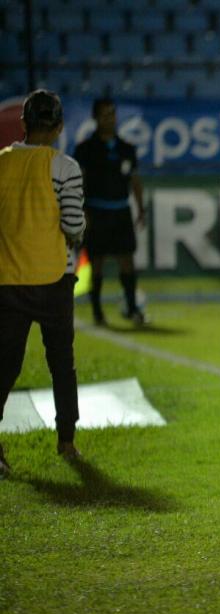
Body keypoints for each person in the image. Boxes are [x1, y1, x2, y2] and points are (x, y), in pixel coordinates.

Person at [0, 89, 85, 474]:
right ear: (59, 126)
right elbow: (72, 224)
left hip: (7, 277)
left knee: (4, 366)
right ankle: (66, 441)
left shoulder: (1, 162)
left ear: (24, 123)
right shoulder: (65, 167)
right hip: (54, 277)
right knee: (61, 364)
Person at [73, 97, 147, 327]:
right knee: (97, 261)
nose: (110, 119)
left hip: (121, 211)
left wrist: (140, 209)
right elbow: (79, 182)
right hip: (96, 211)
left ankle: (133, 308)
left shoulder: (127, 148)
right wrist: (82, 209)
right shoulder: (85, 149)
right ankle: (97, 311)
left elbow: (135, 181)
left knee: (127, 260)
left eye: (112, 114)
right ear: (95, 117)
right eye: (105, 114)